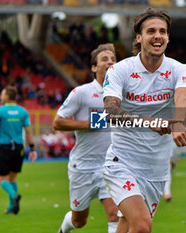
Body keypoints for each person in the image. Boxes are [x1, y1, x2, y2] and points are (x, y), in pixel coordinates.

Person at [102, 8, 186, 233]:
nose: (158, 35)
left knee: (126, 226)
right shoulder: (119, 71)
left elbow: (182, 96)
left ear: (168, 37)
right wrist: (148, 122)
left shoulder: (181, 70)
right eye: (151, 30)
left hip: (156, 169)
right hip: (121, 162)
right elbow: (111, 110)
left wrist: (179, 123)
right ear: (139, 37)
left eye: (163, 31)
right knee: (142, 226)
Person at [53, 43, 119, 233]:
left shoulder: (121, 94)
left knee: (114, 214)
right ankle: (63, 229)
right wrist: (89, 124)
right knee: (79, 220)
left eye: (113, 59)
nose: (110, 62)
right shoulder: (81, 93)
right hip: (83, 166)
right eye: (104, 59)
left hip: (111, 165)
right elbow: (57, 123)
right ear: (94, 67)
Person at [0, 85, 37, 215]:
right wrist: (32, 149)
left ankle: (14, 195)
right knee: (12, 179)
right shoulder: (23, 111)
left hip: (6, 147)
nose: (0, 96)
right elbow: (29, 132)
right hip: (19, 148)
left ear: (7, 97)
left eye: (2, 94)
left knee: (2, 180)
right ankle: (11, 207)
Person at [164, 107, 186, 202]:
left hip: (177, 138)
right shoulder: (164, 103)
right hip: (165, 137)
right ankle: (167, 193)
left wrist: (183, 128)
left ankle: (163, 185)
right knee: (168, 164)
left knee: (172, 166)